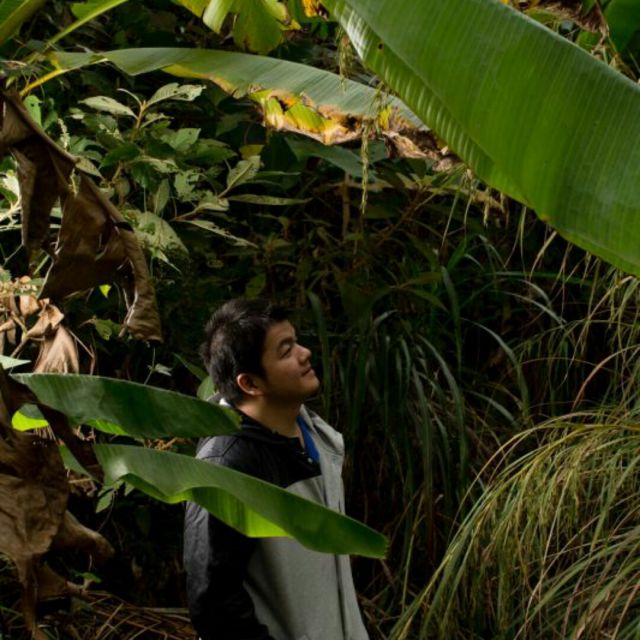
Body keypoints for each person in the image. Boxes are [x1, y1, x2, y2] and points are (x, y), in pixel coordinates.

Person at [183, 298, 369, 640]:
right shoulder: (226, 468)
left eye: (296, 341)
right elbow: (213, 604)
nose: (305, 353)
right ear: (250, 383)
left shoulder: (315, 433)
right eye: (286, 351)